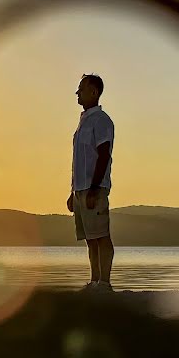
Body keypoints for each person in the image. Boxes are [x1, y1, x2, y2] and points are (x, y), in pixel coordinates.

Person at [66, 74, 115, 292]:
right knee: (90, 238)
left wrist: (95, 188)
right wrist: (72, 191)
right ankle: (94, 281)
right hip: (80, 189)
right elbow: (78, 161)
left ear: (93, 92)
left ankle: (104, 282)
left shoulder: (101, 121)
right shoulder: (82, 123)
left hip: (94, 188)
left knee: (101, 235)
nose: (77, 92)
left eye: (81, 88)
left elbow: (104, 154)